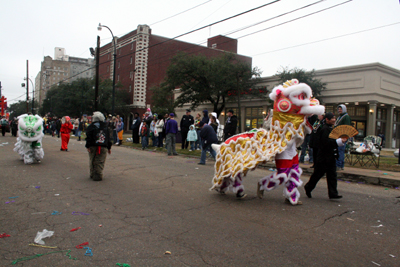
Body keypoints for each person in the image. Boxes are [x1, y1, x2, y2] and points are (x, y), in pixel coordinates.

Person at [304, 112, 347, 200]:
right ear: (327, 119)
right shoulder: (324, 129)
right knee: (317, 174)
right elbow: (325, 143)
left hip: (330, 156)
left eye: (334, 118)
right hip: (323, 157)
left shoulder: (330, 128)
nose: (334, 120)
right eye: (332, 118)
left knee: (332, 175)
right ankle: (308, 187)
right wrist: (338, 142)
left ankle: (333, 193)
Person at [85, 112, 112, 181]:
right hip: (103, 145)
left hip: (92, 145)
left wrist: (88, 145)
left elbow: (88, 137)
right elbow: (108, 138)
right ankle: (98, 174)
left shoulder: (91, 126)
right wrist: (109, 147)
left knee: (92, 159)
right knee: (100, 161)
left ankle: (92, 173)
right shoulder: (105, 127)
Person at [335, 104, 351, 170]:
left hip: (342, 136)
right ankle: (341, 165)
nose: (339, 110)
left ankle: (339, 165)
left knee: (340, 150)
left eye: (341, 109)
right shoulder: (339, 117)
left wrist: (344, 137)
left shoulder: (346, 117)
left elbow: (347, 127)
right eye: (339, 109)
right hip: (338, 136)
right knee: (339, 150)